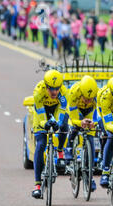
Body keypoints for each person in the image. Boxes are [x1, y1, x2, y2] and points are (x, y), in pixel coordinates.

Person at [31, 70, 69, 198]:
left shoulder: (64, 93)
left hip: (55, 109)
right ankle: (37, 185)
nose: (54, 92)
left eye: (56, 89)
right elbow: (40, 114)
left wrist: (57, 122)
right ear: (46, 86)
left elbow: (62, 110)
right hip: (41, 113)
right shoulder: (38, 92)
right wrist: (44, 124)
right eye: (51, 89)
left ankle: (59, 151)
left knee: (64, 125)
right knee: (41, 144)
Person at [65, 76, 99, 192]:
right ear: (81, 93)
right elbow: (73, 118)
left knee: (90, 138)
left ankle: (90, 176)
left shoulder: (96, 95)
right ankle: (69, 148)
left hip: (88, 112)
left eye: (91, 99)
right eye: (86, 98)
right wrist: (80, 122)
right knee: (74, 127)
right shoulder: (74, 93)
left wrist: (94, 123)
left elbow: (99, 114)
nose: (88, 101)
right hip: (76, 111)